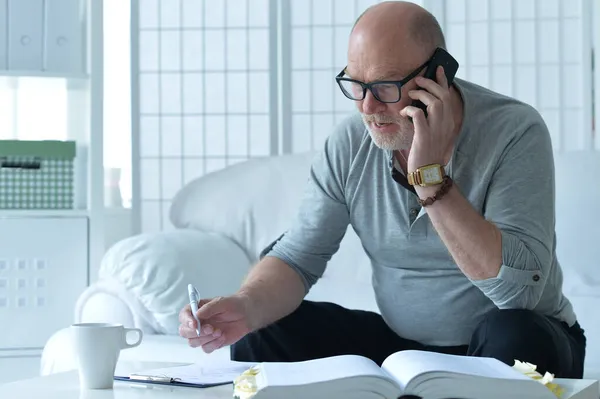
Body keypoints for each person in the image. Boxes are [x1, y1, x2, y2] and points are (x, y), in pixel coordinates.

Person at [178, 1, 586, 378]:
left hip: (511, 336)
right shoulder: (350, 144)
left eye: (385, 86)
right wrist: (246, 306)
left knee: (518, 339)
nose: (367, 108)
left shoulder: (515, 131)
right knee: (264, 332)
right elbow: (298, 257)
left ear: (437, 76)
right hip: (406, 348)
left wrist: (429, 176)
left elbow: (518, 292)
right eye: (356, 85)